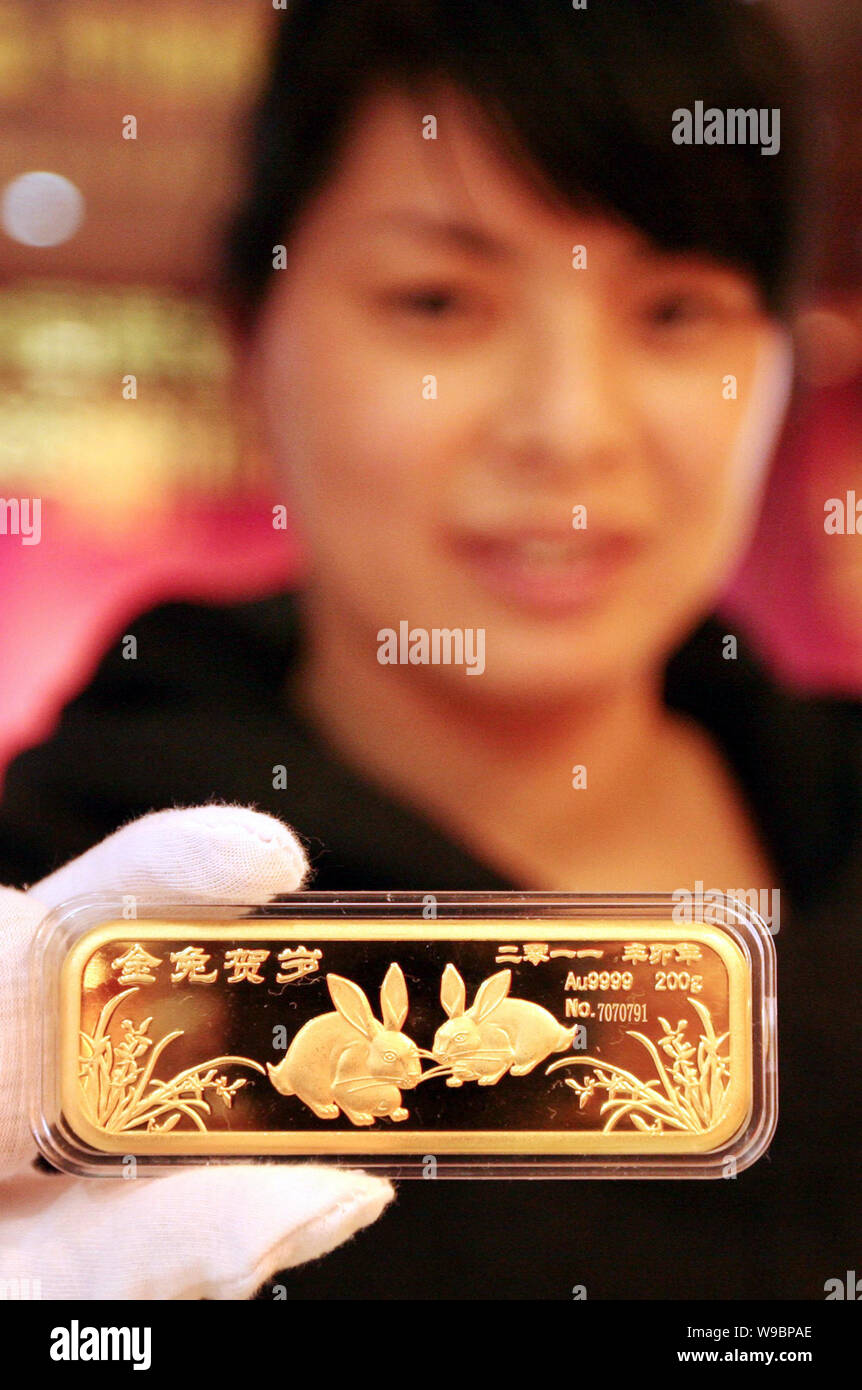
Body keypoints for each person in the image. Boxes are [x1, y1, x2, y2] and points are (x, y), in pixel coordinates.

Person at [1, 0, 859, 1300]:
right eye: (438, 300)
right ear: (252, 342)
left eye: (676, 310)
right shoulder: (58, 923)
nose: (568, 426)